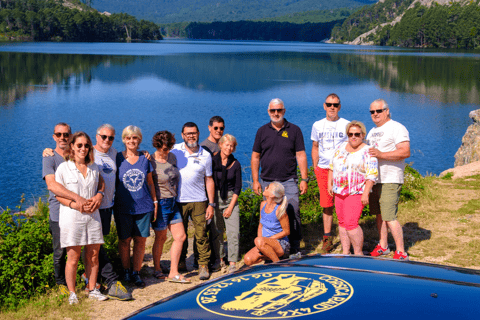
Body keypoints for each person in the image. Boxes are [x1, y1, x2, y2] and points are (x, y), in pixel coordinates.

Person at [54, 131, 107, 304]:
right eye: (79, 145)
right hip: (72, 218)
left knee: (93, 256)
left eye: (86, 145)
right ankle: (72, 293)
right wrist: (74, 204)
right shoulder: (63, 168)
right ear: (72, 147)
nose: (83, 148)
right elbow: (58, 195)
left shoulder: (94, 167)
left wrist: (99, 195)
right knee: (73, 257)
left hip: (92, 217)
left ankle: (92, 289)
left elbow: (101, 183)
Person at [251, 98, 308, 254]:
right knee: (268, 215)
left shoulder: (294, 130)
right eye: (272, 110)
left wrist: (304, 179)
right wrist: (255, 180)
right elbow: (255, 156)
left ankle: (294, 247)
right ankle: (267, 246)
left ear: (284, 111)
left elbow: (301, 155)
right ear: (268, 111)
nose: (276, 113)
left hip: (288, 180)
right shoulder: (262, 131)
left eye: (279, 110)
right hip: (267, 182)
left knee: (293, 211)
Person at [42, 123, 88, 296]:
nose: (62, 137)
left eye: (66, 134)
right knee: (60, 251)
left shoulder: (75, 154)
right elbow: (52, 185)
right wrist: (76, 198)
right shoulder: (49, 157)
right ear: (54, 137)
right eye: (59, 134)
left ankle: (83, 276)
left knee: (81, 247)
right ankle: (60, 282)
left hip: (78, 211)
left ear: (71, 137)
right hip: (58, 212)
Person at [366, 99, 411, 260]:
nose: (375, 114)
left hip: (390, 178)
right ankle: (383, 246)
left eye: (379, 110)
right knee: (379, 215)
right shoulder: (372, 131)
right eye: (372, 112)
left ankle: (401, 251)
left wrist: (381, 155)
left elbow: (405, 151)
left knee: (389, 216)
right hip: (374, 179)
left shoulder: (397, 128)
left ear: (387, 111)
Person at [114, 125, 157, 288]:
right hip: (122, 207)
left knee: (140, 240)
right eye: (128, 137)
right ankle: (126, 270)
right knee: (124, 240)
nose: (132, 141)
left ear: (139, 140)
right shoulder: (117, 158)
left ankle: (136, 272)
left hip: (144, 207)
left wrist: (154, 202)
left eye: (135, 138)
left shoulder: (145, 158)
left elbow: (150, 182)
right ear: (124, 139)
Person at [171, 122, 215, 280]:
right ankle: (180, 262)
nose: (191, 136)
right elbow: (159, 155)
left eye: (194, 133)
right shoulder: (175, 150)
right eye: (188, 133)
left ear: (198, 134)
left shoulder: (205, 155)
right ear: (183, 135)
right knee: (179, 235)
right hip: (178, 200)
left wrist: (211, 203)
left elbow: (209, 180)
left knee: (201, 234)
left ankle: (203, 264)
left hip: (199, 200)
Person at [328, 121, 378, 255]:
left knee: (351, 223)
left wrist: (366, 193)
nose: (353, 137)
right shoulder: (341, 147)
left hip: (356, 192)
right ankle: (345, 252)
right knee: (342, 222)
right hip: (339, 191)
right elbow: (332, 167)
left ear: (363, 135)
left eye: (357, 134)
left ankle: (358, 253)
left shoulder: (368, 151)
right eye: (350, 134)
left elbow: (371, 175)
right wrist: (330, 183)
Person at [311, 93, 350, 253]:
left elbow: (352, 146)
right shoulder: (317, 125)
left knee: (343, 203)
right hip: (323, 168)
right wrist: (315, 167)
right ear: (324, 106)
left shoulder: (347, 124)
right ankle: (327, 238)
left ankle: (347, 235)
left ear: (339, 107)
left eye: (335, 105)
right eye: (329, 104)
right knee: (327, 205)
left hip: (342, 170)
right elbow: (315, 147)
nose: (332, 107)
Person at [150, 130, 190, 283]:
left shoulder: (172, 157)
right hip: (160, 203)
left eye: (169, 147)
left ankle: (173, 272)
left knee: (180, 236)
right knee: (160, 238)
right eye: (164, 148)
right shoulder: (151, 160)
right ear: (158, 146)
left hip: (173, 202)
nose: (167, 151)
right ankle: (157, 269)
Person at [211, 134, 242, 273]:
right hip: (215, 198)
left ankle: (232, 262)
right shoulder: (212, 161)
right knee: (217, 231)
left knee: (233, 232)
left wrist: (230, 207)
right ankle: (220, 260)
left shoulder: (235, 164)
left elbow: (237, 188)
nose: (229, 148)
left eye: (232, 146)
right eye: (227, 145)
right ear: (221, 145)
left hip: (231, 199)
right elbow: (209, 181)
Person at [200, 115, 225, 271]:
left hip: (220, 191)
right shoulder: (204, 147)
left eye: (221, 128)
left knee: (218, 226)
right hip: (206, 193)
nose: (218, 131)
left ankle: (218, 257)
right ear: (209, 128)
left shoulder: (223, 145)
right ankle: (204, 259)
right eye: (215, 128)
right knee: (206, 227)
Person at [243, 182, 290, 266]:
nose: (265, 188)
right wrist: (260, 244)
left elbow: (286, 231)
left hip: (281, 243)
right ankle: (269, 257)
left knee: (259, 240)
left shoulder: (279, 211)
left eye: (267, 187)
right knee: (247, 259)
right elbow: (260, 225)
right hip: (263, 243)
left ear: (272, 195)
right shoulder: (263, 204)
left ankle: (278, 264)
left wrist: (267, 240)